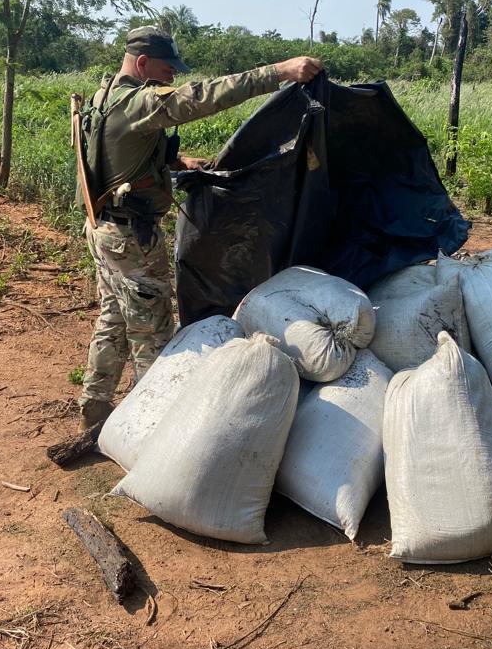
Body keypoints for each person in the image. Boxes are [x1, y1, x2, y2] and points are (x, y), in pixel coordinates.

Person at [75, 26, 323, 437]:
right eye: (166, 67)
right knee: (153, 333)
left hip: (102, 228)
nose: (172, 75)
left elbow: (117, 157)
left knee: (114, 319)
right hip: (132, 239)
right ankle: (150, 431)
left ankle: (95, 406)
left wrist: (178, 163)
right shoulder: (140, 102)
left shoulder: (104, 99)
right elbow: (204, 96)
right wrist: (279, 71)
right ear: (142, 64)